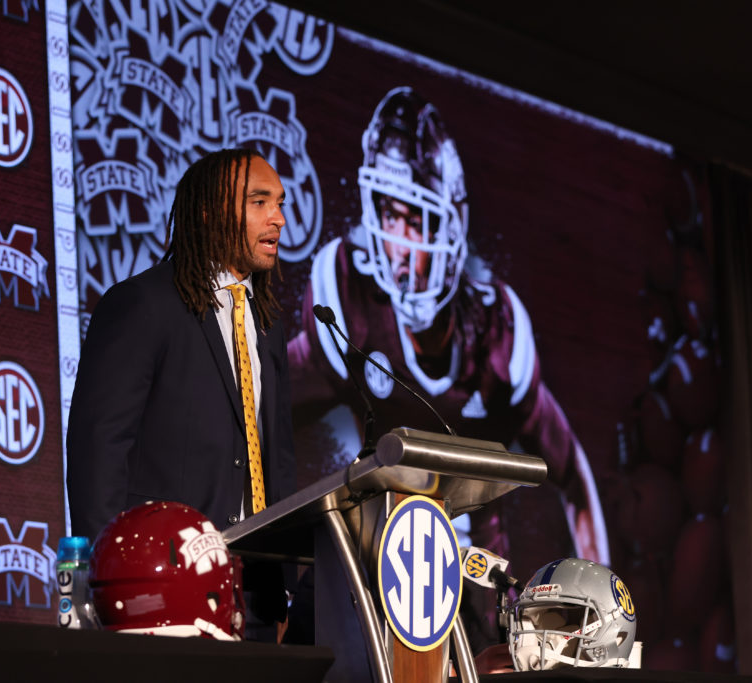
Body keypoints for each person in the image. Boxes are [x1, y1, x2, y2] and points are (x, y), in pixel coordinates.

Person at [286, 87, 609, 648]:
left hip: (478, 600)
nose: (400, 244)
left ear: (453, 226)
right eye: (390, 212)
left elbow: (573, 477)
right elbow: (263, 404)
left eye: (416, 217)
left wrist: (599, 619)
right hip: (381, 589)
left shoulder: (497, 336)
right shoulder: (350, 308)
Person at [66, 148, 296, 638]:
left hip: (251, 590)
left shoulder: (268, 324)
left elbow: (278, 462)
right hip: (159, 587)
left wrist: (282, 587)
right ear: (210, 212)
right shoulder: (142, 304)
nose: (278, 218)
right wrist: (109, 580)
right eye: (259, 202)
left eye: (279, 203)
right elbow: (99, 449)